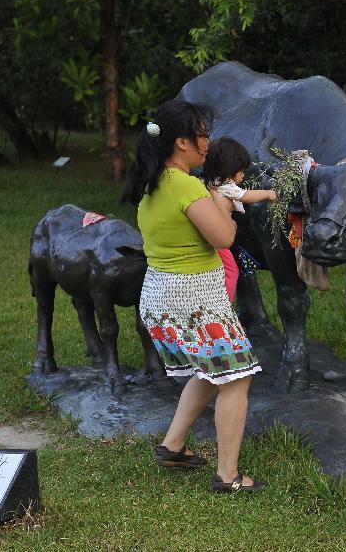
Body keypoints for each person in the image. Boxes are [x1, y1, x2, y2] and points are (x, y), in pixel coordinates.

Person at [120, 99, 266, 493]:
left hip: (160, 298)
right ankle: (228, 475)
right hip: (195, 304)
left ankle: (172, 446)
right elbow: (224, 237)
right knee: (237, 378)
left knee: (212, 372)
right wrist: (223, 205)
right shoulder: (183, 183)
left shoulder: (154, 182)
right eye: (203, 136)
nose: (208, 144)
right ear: (182, 142)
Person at [202, 137, 277, 302]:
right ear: (229, 169)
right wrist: (268, 193)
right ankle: (224, 304)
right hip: (218, 239)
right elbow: (245, 196)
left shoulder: (210, 182)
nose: (243, 175)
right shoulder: (225, 185)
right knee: (231, 269)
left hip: (209, 237)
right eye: (241, 170)